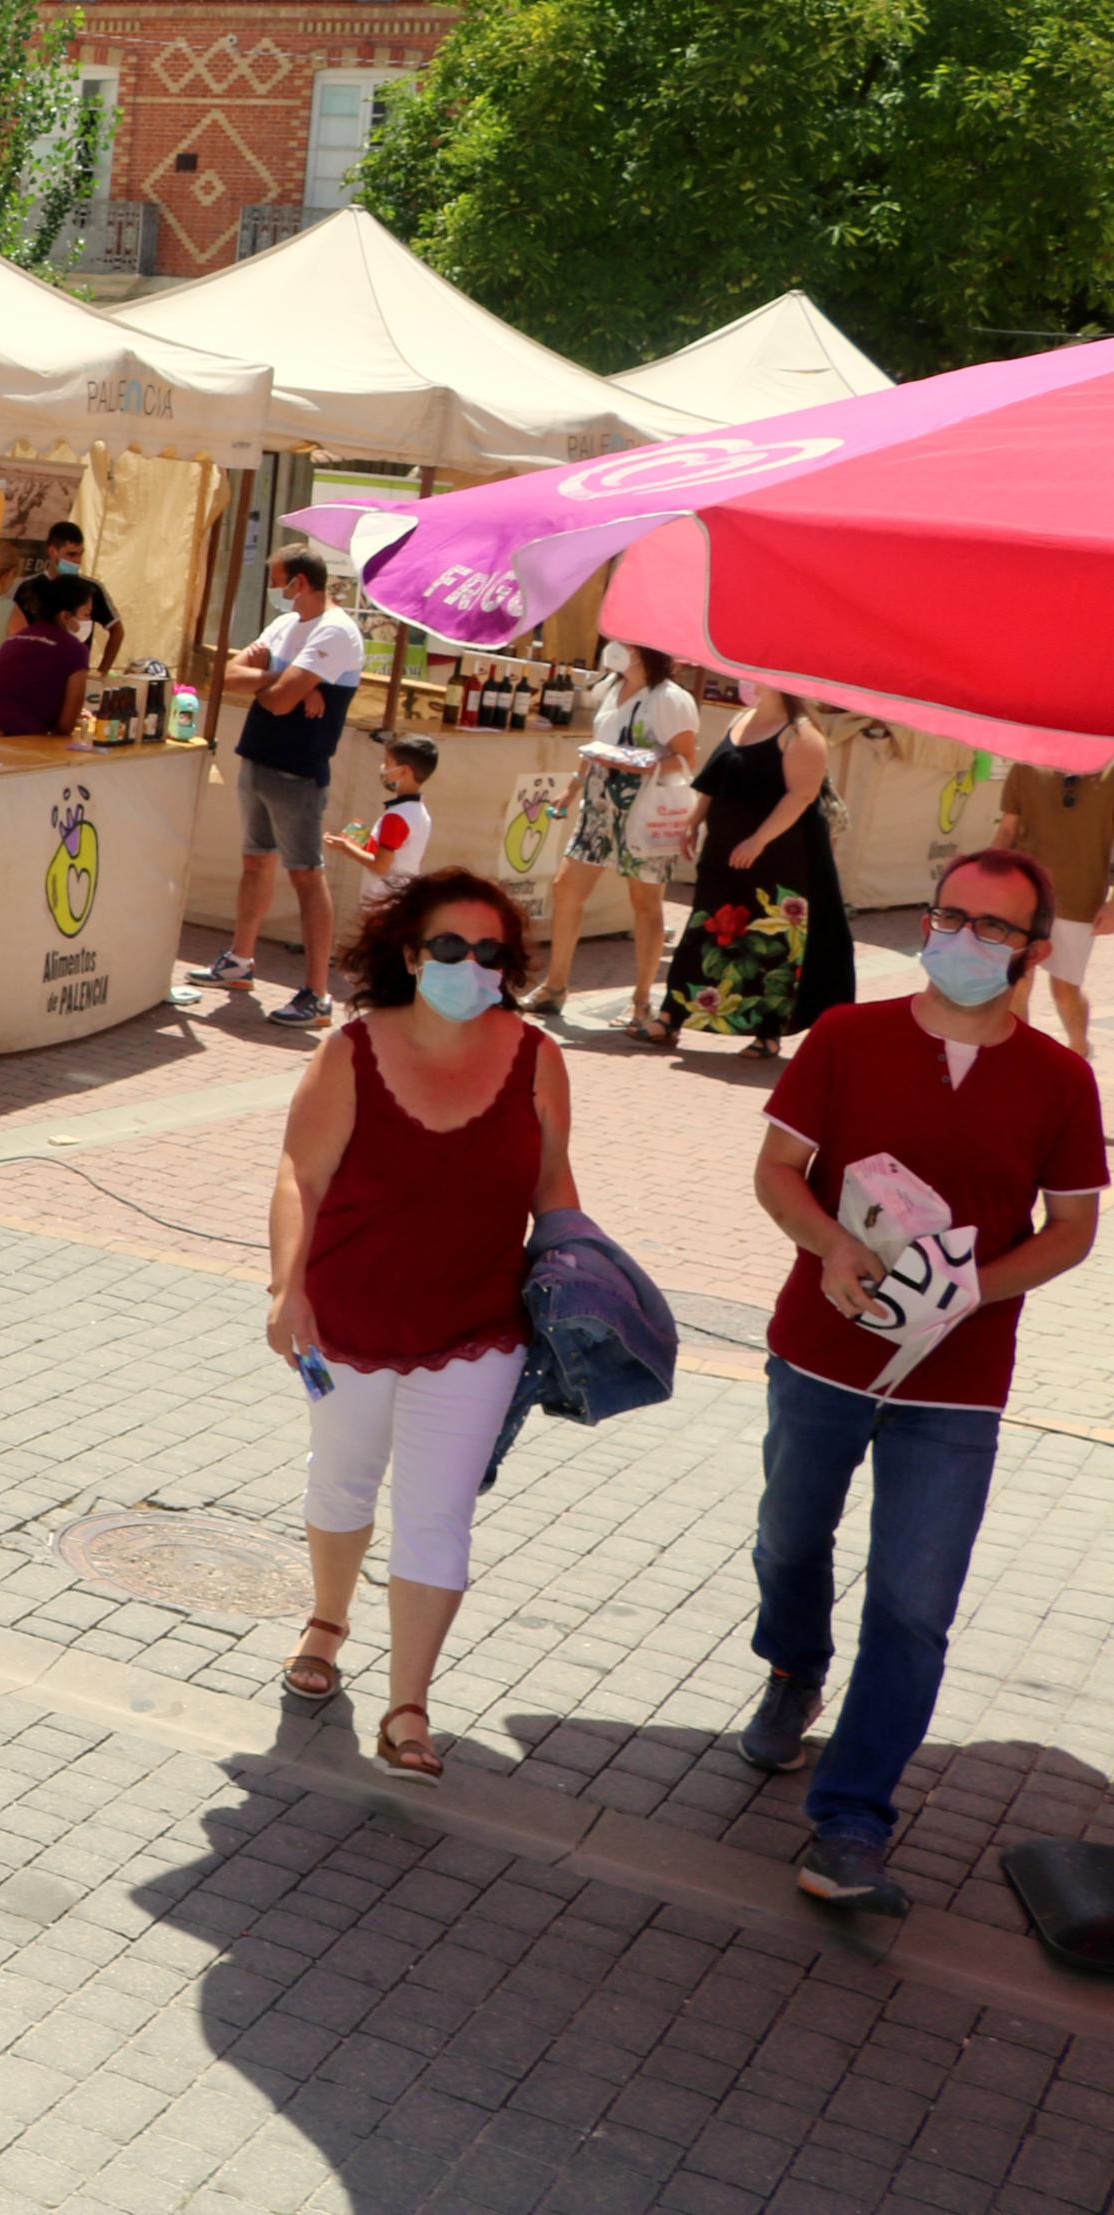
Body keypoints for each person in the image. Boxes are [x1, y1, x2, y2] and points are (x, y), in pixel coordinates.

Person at [731, 850, 1103, 1912]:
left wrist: (971, 1288)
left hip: (957, 1383)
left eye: (994, 929)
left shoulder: (1058, 1078)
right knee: (787, 1538)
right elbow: (773, 1170)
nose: (966, 940)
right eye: (951, 917)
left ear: (1031, 952)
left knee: (912, 1603)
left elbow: (1072, 1229)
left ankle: (850, 1819)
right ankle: (792, 1663)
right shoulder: (844, 1037)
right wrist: (826, 1248)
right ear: (926, 922)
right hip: (819, 1351)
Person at [264, 869, 578, 1785]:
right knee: (343, 1479)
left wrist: (582, 1269)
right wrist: (288, 1289)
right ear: (409, 953)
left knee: (437, 1514)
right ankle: (327, 1618)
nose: (468, 965)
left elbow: (553, 1185)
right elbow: (300, 1176)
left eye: (489, 953)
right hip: (347, 1313)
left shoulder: (536, 1056)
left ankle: (408, 1704)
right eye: (448, 947)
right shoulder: (350, 1049)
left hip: (478, 1323)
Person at [195, 547, 364, 1028]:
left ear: (301, 583)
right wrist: (284, 678)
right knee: (255, 863)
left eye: (278, 582)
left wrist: (287, 686)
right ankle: (240, 961)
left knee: (307, 874)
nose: (273, 592)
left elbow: (281, 703)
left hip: (299, 771)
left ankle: (317, 993)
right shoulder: (286, 626)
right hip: (259, 760)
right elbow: (228, 676)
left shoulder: (335, 631)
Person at [664, 687, 852, 1059]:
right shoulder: (740, 720)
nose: (746, 681)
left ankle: (768, 1032)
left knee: (772, 946)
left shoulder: (802, 735)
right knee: (701, 931)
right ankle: (670, 1016)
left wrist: (758, 841)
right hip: (722, 854)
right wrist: (693, 821)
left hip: (776, 860)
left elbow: (800, 797)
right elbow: (715, 781)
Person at [532, 644, 702, 1042]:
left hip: (644, 812)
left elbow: (686, 758)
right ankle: (555, 986)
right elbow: (596, 746)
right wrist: (573, 789)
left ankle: (642, 1000)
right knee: (566, 887)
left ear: (646, 651)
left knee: (645, 904)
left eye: (627, 642)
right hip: (599, 806)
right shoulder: (611, 687)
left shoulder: (672, 700)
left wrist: (639, 763)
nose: (617, 648)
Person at [998, 763, 1106, 1058]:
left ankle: (1079, 1052)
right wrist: (985, 879)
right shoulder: (1025, 765)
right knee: (1017, 981)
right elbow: (1008, 830)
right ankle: (1019, 1058)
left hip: (1080, 898)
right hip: (1023, 894)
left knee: (1064, 990)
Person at [327, 735, 439, 919]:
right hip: (400, 899)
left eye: (388, 763)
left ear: (405, 771)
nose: (384, 769)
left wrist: (346, 847)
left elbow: (381, 866)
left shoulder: (396, 816)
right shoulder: (418, 811)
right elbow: (397, 855)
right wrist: (361, 840)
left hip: (383, 903)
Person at [0, 573, 100, 740]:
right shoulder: (75, 650)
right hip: (23, 739)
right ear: (65, 616)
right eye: (87, 614)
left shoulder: (15, 639)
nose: (89, 621)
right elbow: (65, 725)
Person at [43, 519, 125, 667]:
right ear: (52, 552)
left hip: (75, 670)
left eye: (81, 554)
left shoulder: (91, 588)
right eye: (71, 555)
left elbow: (117, 631)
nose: (77, 561)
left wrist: (102, 671)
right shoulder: (26, 587)